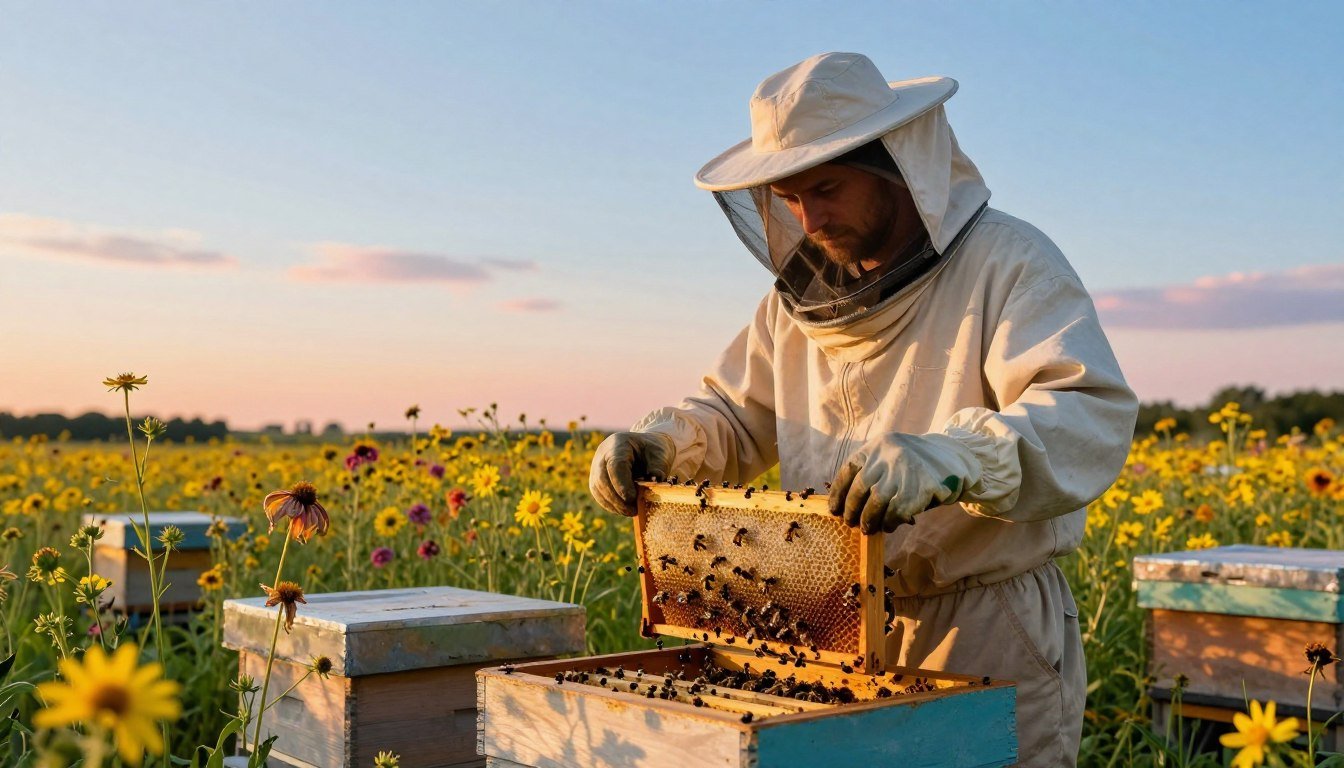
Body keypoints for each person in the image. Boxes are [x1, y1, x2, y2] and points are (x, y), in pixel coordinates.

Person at [589, 52, 1137, 767]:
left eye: (827, 188)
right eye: (788, 198)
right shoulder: (793, 308)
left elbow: (1085, 414)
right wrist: (663, 445)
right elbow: (734, 411)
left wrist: (953, 460)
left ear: (895, 166)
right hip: (827, 630)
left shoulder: (1009, 263)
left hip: (980, 620)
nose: (809, 218)